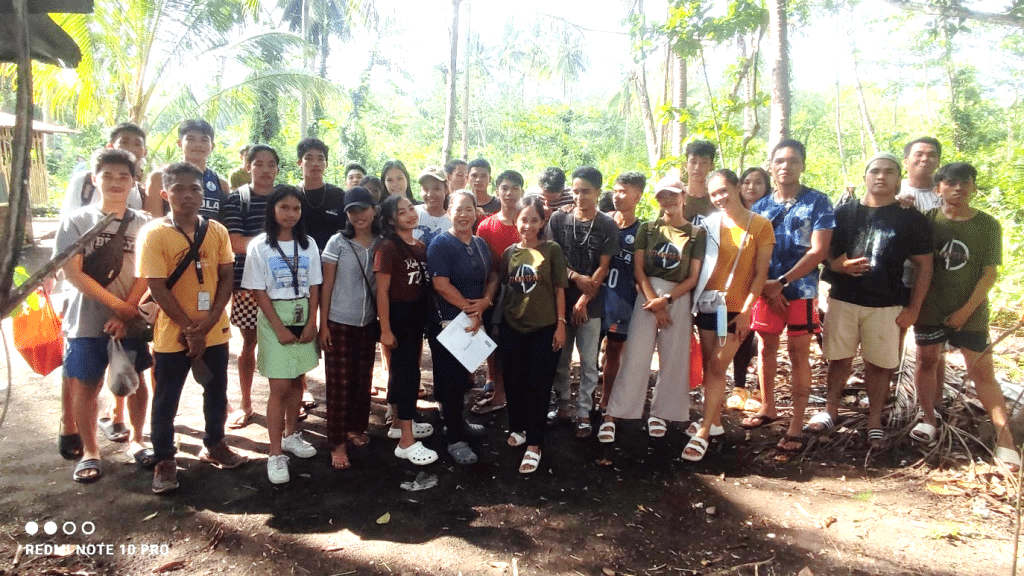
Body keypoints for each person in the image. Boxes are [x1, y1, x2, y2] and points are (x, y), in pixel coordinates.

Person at [810, 153, 933, 449]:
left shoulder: (911, 218)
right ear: (864, 176)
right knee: (838, 359)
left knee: (880, 365)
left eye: (889, 172)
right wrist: (837, 266)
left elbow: (924, 266)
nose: (881, 176)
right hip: (843, 299)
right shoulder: (844, 213)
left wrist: (914, 308)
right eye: (875, 171)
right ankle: (830, 410)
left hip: (887, 303)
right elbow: (824, 250)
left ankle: (875, 421)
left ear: (898, 179)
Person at [139, 162, 247, 495]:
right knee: (166, 397)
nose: (188, 196)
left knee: (216, 392)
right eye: (179, 189)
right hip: (174, 335)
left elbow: (226, 276)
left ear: (204, 193)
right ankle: (165, 458)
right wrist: (189, 328)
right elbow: (156, 286)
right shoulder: (155, 233)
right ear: (164, 193)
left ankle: (215, 443)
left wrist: (211, 320)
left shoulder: (216, 231)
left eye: (195, 189)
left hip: (214, 330)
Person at [911, 163, 1020, 469]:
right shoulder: (927, 221)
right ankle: (928, 419)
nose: (957, 188)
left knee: (982, 372)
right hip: (930, 308)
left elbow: (989, 274)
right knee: (926, 361)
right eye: (950, 183)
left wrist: (965, 311)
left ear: (973, 187)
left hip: (971, 311)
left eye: (965, 183)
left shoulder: (987, 224)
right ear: (938, 189)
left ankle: (1005, 439)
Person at [57, 149, 152, 483]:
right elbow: (73, 274)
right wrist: (118, 307)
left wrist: (128, 313)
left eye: (123, 177)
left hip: (131, 318)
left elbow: (148, 273)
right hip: (85, 319)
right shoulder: (76, 222)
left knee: (136, 381)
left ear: (134, 182)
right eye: (108, 176)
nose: (115, 182)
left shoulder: (143, 224)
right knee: (87, 383)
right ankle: (90, 452)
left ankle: (138, 440)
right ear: (94, 179)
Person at [745, 141, 835, 453]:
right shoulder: (759, 207)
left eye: (793, 161)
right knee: (766, 348)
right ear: (771, 166)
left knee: (799, 353)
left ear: (803, 165)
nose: (786, 166)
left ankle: (796, 422)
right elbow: (751, 251)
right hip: (765, 291)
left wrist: (781, 282)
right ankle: (768, 407)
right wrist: (766, 289)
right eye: (780, 161)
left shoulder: (818, 202)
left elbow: (819, 250)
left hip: (802, 291)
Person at [600, 177, 704, 443]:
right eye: (661, 196)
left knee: (673, 357)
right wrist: (654, 302)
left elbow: (692, 277)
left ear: (683, 196)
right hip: (646, 296)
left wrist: (666, 301)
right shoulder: (648, 229)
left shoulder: (695, 233)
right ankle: (620, 409)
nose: (667, 201)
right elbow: (639, 270)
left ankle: (662, 412)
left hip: (677, 298)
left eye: (672, 195)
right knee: (635, 355)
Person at [683, 169, 774, 462]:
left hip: (736, 309)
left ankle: (705, 430)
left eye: (724, 190)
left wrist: (748, 311)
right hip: (709, 305)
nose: (720, 197)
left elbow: (760, 274)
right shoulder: (708, 225)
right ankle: (717, 423)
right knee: (712, 367)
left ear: (736, 187)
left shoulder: (760, 226)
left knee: (719, 366)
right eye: (714, 194)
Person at [241, 186, 322, 484]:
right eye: (284, 207)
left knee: (297, 379)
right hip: (275, 315)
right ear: (272, 209)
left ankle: (291, 435)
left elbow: (315, 285)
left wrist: (312, 321)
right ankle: (275, 453)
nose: (290, 214)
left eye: (296, 209)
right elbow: (258, 290)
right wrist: (277, 326)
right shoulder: (260, 246)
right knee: (278, 387)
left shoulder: (308, 243)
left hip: (302, 314)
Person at [547, 167, 619, 438]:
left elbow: (604, 266)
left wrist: (584, 301)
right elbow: (553, 260)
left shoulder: (606, 225)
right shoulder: (558, 219)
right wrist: (576, 277)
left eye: (586, 191)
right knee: (561, 359)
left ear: (598, 192)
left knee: (589, 362)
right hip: (561, 300)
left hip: (593, 305)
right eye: (575, 191)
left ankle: (584, 412)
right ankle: (563, 405)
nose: (579, 197)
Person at [427, 190, 499, 465]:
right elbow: (440, 284)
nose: (463, 215)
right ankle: (454, 438)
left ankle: (460, 423)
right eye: (457, 209)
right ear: (448, 212)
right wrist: (472, 309)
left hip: (472, 320)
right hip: (447, 323)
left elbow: (493, 274)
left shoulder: (480, 244)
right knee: (450, 381)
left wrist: (486, 301)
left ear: (476, 212)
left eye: (469, 209)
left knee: (465, 377)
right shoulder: (440, 244)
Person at [499, 195, 567, 473]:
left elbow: (560, 288)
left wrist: (561, 324)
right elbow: (501, 285)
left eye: (534, 220)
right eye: (523, 219)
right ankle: (518, 427)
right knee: (513, 381)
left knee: (538, 384)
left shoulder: (551, 250)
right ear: (516, 220)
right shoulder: (508, 253)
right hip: (512, 326)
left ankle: (534, 444)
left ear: (542, 222)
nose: (528, 225)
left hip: (544, 328)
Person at [319, 187, 381, 470]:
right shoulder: (337, 243)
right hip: (339, 322)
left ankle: (356, 428)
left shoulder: (382, 243)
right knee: (339, 385)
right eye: (352, 211)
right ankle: (337, 443)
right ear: (346, 214)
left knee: (362, 380)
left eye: (363, 209)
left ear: (374, 210)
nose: (358, 216)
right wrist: (323, 325)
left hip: (367, 323)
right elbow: (327, 284)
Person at [222, 144, 280, 429]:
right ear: (248, 167)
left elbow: (298, 240)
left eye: (271, 164)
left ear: (278, 169)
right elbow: (235, 243)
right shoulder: (236, 201)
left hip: (285, 286)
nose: (265, 169)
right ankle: (246, 403)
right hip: (246, 285)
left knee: (289, 338)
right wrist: (275, 247)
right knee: (249, 342)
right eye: (259, 164)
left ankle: (296, 394)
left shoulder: (287, 198)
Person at [375, 195, 437, 465]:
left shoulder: (421, 246)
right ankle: (406, 442)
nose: (410, 214)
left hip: (416, 317)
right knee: (406, 375)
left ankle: (401, 424)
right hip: (398, 317)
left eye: (411, 209)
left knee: (408, 371)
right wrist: (386, 329)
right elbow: (382, 292)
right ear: (391, 219)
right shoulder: (388, 247)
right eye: (402, 212)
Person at [473, 170, 526, 415]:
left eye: (514, 188)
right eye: (504, 188)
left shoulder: (528, 223)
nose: (509, 193)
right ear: (497, 191)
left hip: (525, 292)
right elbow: (483, 262)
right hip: (493, 290)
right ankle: (495, 382)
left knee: (518, 340)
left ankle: (513, 387)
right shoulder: (485, 226)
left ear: (521, 192)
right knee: (494, 337)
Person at [597, 172, 645, 415]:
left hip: (622, 301)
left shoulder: (642, 231)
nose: (617, 196)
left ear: (637, 196)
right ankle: (583, 402)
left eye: (624, 191)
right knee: (590, 349)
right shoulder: (602, 222)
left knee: (614, 350)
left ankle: (607, 400)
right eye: (615, 190)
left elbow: (641, 273)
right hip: (595, 298)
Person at [726, 166, 772, 411]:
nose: (752, 187)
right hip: (735, 288)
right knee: (737, 336)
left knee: (759, 339)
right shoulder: (730, 215)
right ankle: (739, 386)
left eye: (758, 183)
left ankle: (759, 389)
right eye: (747, 182)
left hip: (766, 285)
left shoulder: (770, 215)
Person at [145, 119, 230, 220]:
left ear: (213, 146)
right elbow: (153, 222)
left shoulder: (221, 184)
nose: (198, 144)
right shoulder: (159, 178)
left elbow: (223, 227)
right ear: (179, 143)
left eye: (204, 140)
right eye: (191, 139)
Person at [296, 138, 346, 252]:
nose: (315, 164)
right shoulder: (292, 196)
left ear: (326, 164)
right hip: (300, 261)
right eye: (309, 158)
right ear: (299, 163)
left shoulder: (339, 195)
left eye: (320, 158)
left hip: (334, 261)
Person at [897, 137, 942, 211]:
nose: (925, 159)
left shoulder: (946, 191)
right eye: (918, 154)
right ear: (906, 162)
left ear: (938, 162)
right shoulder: (894, 191)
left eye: (931, 155)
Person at [413, 166, 452, 247]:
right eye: (425, 189)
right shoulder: (412, 213)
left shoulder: (452, 219)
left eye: (436, 188)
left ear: (446, 189)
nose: (430, 194)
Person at [682, 140, 718, 223]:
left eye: (704, 163)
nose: (697, 167)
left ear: (712, 166)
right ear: (685, 164)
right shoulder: (675, 197)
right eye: (693, 162)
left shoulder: (716, 200)